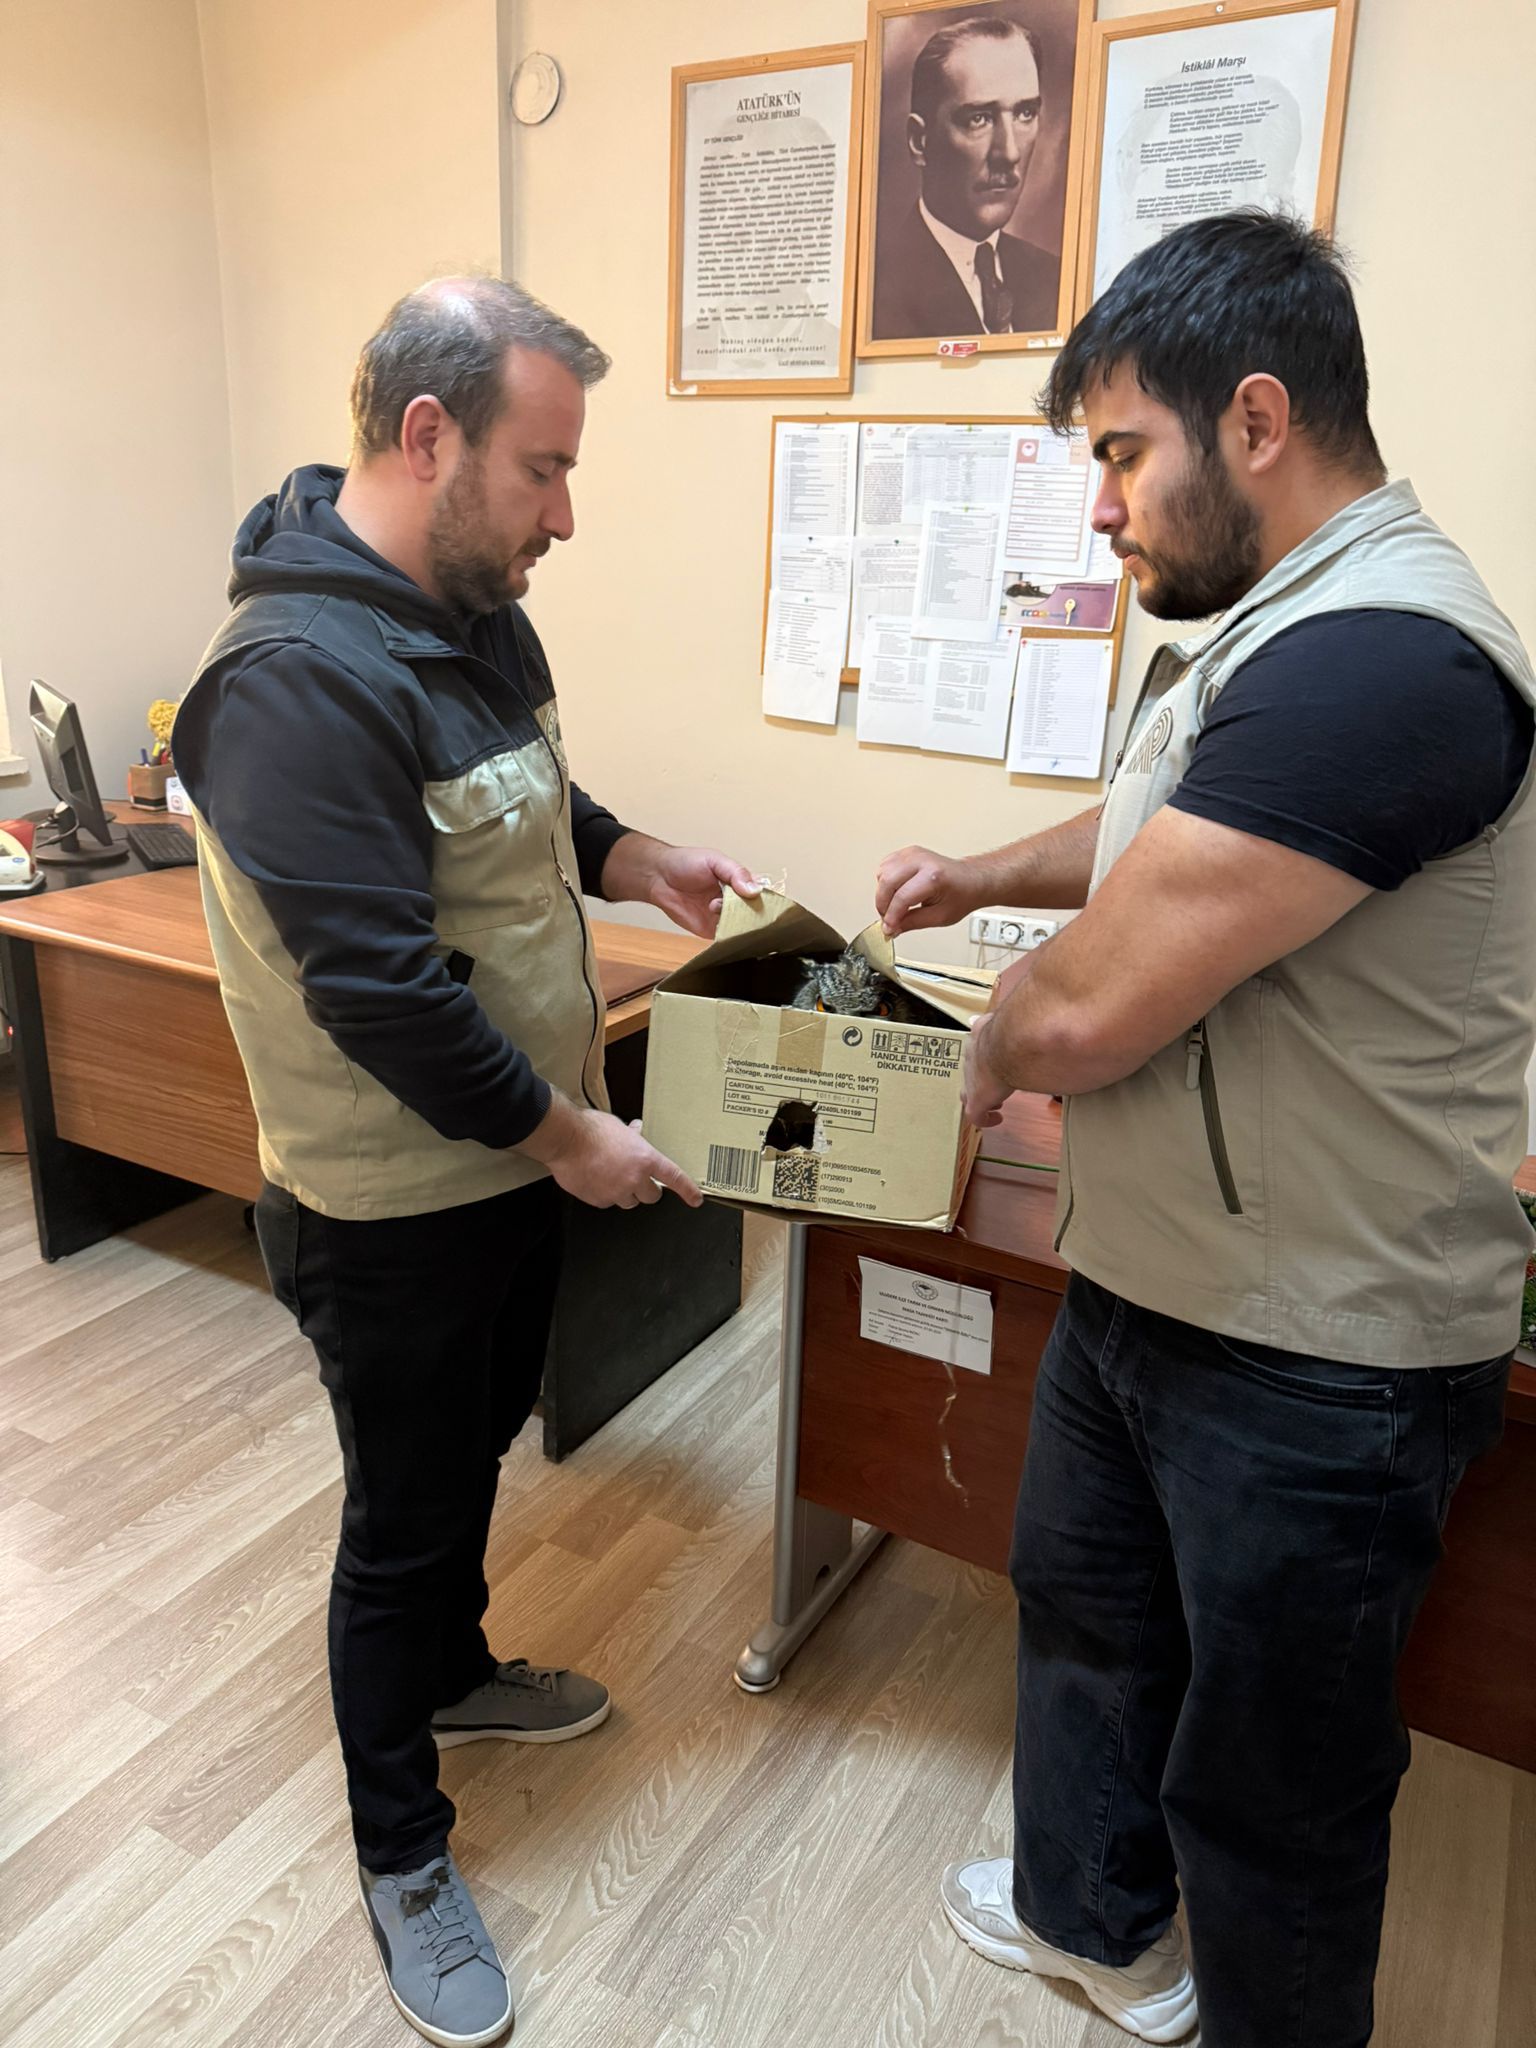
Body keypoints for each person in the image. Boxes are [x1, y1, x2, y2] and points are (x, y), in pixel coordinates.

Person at [876, 210, 1535, 2047]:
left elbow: (1085, 1008)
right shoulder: (1279, 632)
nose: (1100, 508)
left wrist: (955, 1073)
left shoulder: (1386, 664)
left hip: (1317, 1344)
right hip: (1155, 1275)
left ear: (1256, 418)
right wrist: (977, 874)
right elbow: (1162, 834)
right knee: (1086, 1618)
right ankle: (1095, 1927)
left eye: (1119, 453)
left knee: (1272, 1780)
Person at [174, 277, 758, 2048]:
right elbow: (380, 990)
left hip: (508, 1174)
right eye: (544, 468)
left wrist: (630, 854)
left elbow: (523, 803)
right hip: (394, 1205)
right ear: (428, 438)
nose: (565, 513)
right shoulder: (290, 683)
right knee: (402, 1510)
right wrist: (575, 1135)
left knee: (475, 1445)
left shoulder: (470, 603)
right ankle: (402, 1846)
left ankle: (453, 1671)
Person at [872, 13, 1060, 342]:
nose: (1009, 153)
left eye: (1024, 113)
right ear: (919, 141)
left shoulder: (1053, 278)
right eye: (979, 119)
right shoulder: (879, 288)